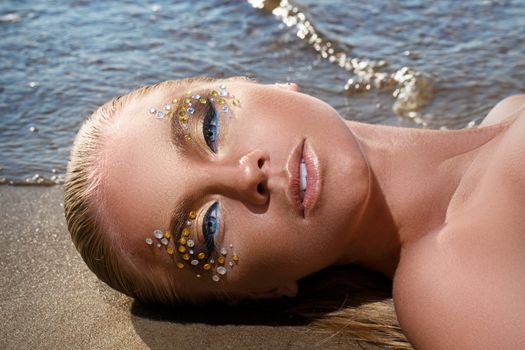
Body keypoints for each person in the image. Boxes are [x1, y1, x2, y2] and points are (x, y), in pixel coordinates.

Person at [64, 77, 525, 349]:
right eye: (208, 226)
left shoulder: (506, 112)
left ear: (252, 80)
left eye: (208, 125)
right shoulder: (449, 286)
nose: (247, 175)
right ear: (260, 292)